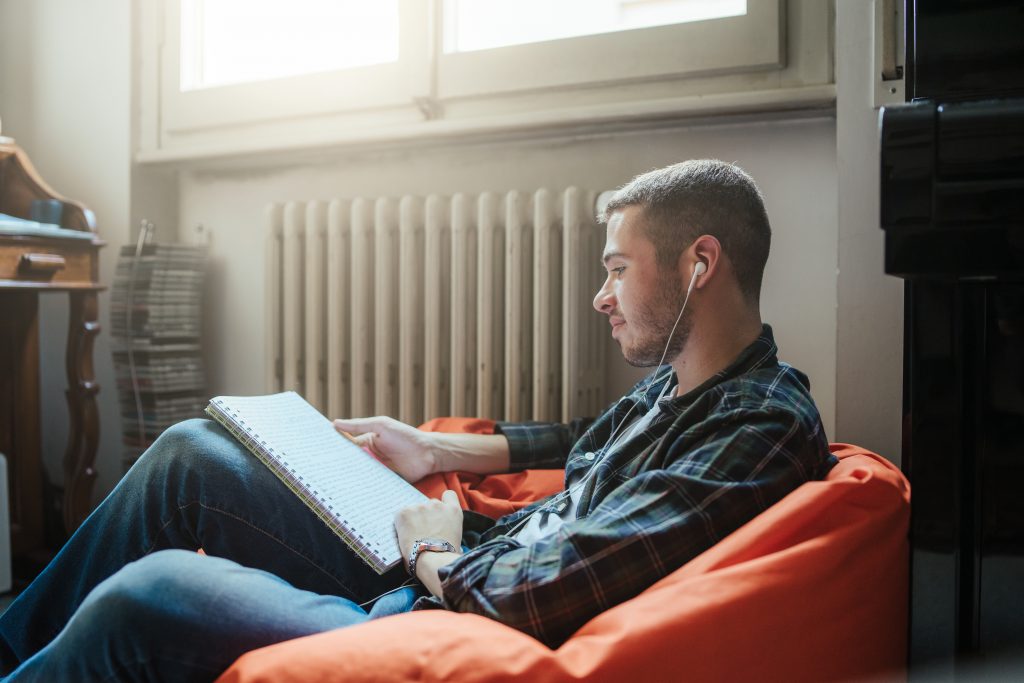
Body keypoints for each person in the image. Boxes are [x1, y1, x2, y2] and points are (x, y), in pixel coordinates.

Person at [0, 160, 835, 682]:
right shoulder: (678, 392)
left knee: (156, 592)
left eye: (618, 268)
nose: (600, 295)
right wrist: (428, 445)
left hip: (448, 602)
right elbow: (577, 438)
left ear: (700, 263)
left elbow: (538, 596)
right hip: (447, 561)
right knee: (190, 450)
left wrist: (438, 542)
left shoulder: (759, 425)